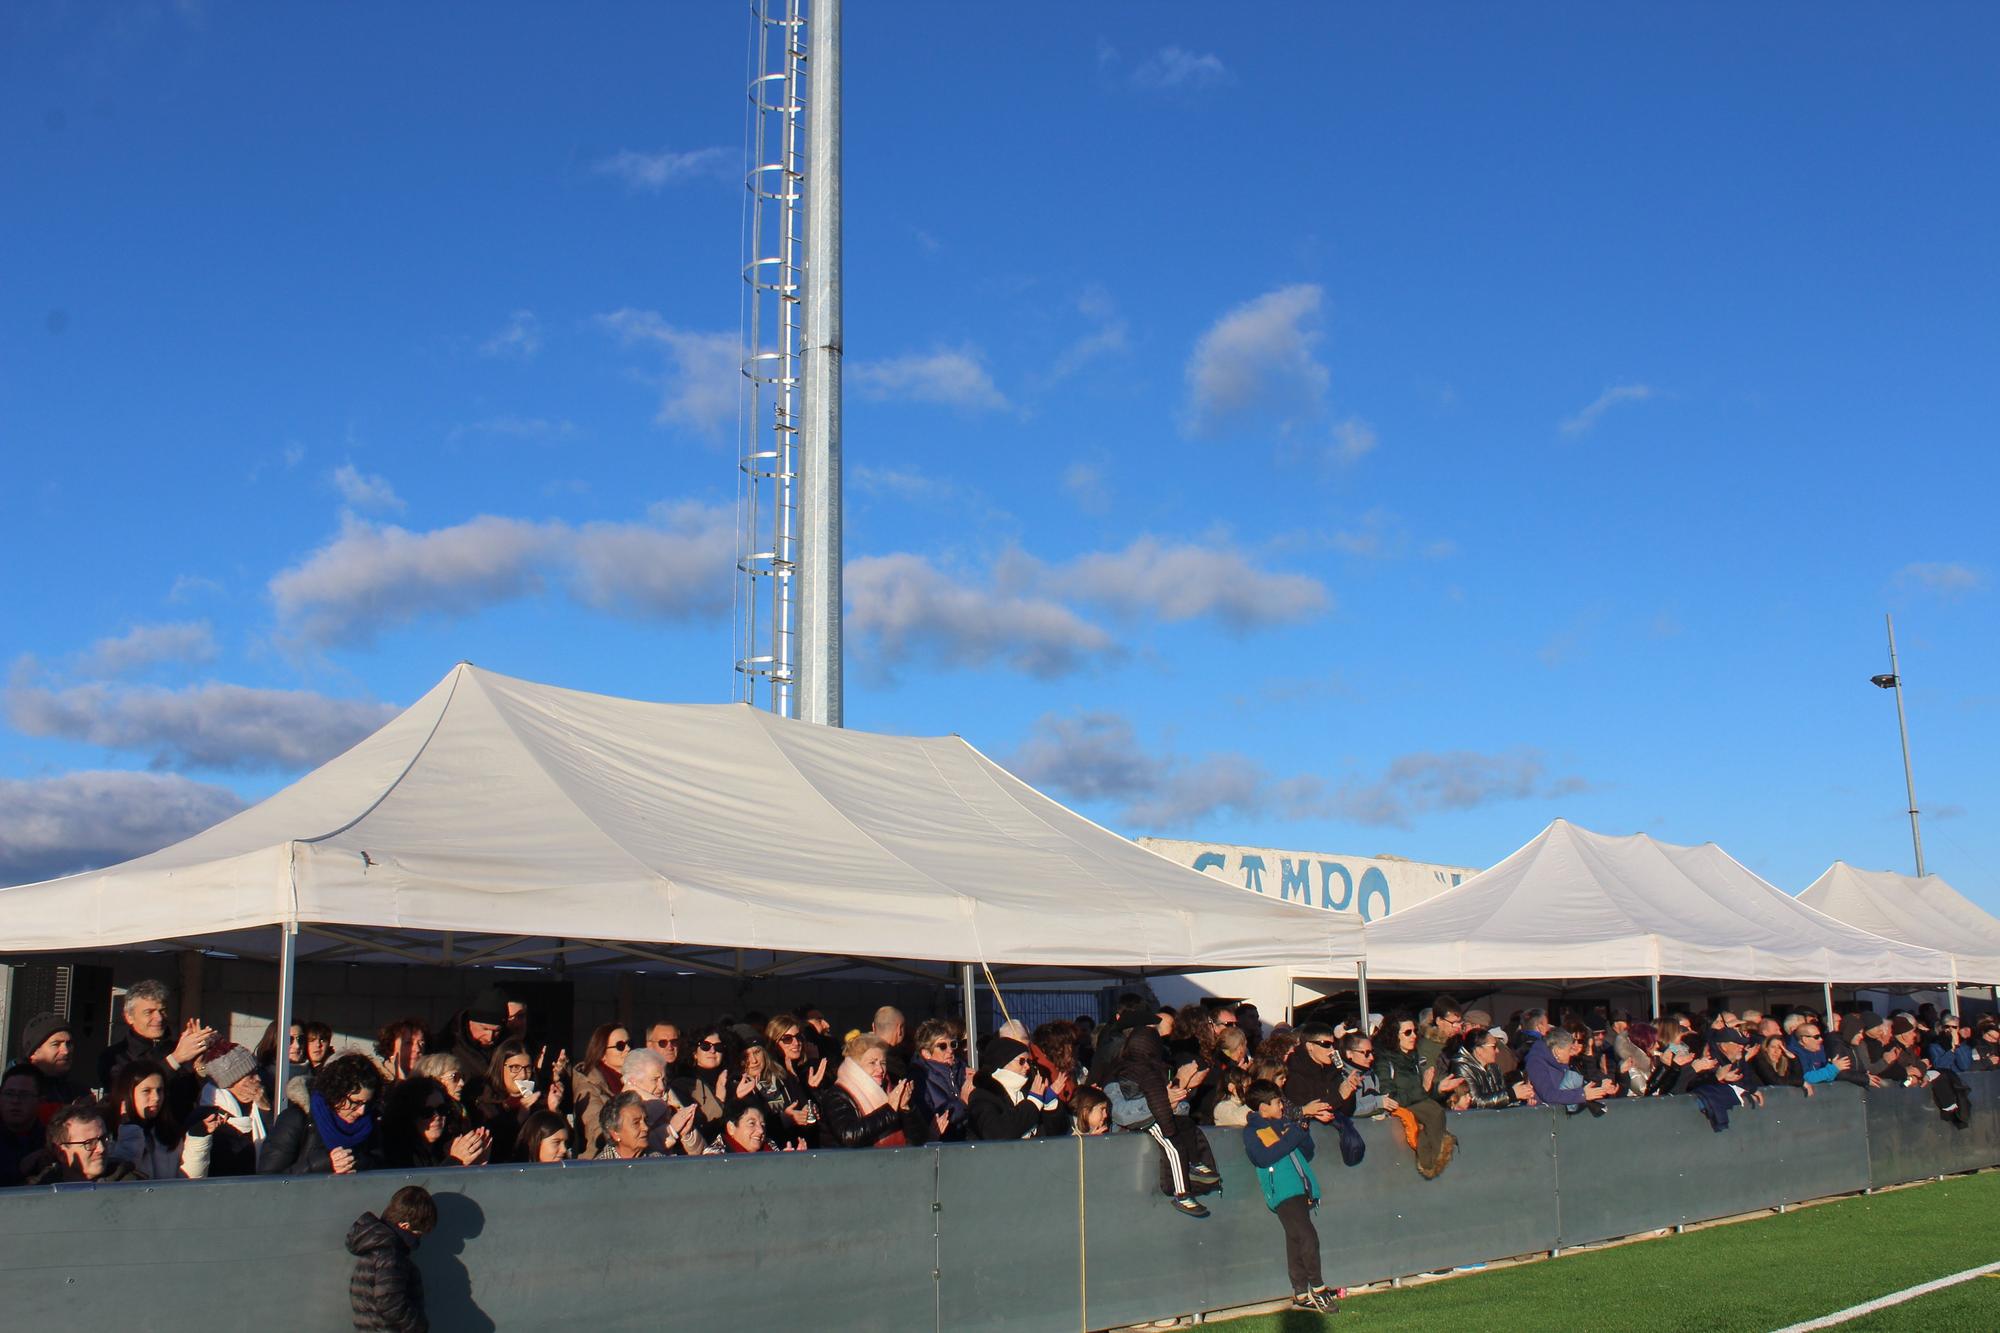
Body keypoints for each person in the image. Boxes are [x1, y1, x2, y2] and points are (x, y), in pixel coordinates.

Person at [1104, 1005, 1220, 1218]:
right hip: (1128, 1171)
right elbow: (1121, 1113)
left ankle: (1194, 1167)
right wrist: (1165, 1106)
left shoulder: (1156, 1065)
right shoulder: (1119, 1069)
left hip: (1154, 1169)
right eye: (1154, 1031)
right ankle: (1183, 1191)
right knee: (1174, 1143)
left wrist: (1182, 1087)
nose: (1161, 1039)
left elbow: (1181, 1109)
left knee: (1182, 1130)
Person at [1241, 1079, 1338, 1315]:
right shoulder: (1253, 1131)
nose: (1282, 1107)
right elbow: (1264, 1157)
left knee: (1296, 1240)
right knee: (1307, 1237)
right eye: (1277, 1103)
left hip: (1300, 1186)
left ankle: (1301, 1293)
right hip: (1283, 1191)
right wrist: (1293, 1134)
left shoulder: (1284, 1123)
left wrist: (1300, 1130)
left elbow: (1307, 1150)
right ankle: (1318, 1287)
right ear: (1263, 1108)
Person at [99, 980, 214, 1115]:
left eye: (162, 1011)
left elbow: (198, 1096)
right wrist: (175, 1060)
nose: (159, 1018)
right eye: (149, 1012)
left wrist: (200, 1065)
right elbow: (127, 1092)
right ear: (129, 1017)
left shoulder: (179, 1048)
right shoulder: (115, 1056)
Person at [260, 1053, 383, 1175]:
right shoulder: (297, 1120)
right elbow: (267, 1180)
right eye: (355, 1103)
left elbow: (382, 1167)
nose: (361, 1111)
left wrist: (356, 1161)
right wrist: (324, 1163)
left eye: (367, 1103)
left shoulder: (371, 1123)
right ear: (336, 1093)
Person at [1376, 1014, 1460, 1179]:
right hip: (1399, 1107)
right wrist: (1425, 1090)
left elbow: (1421, 1091)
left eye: (1415, 1031)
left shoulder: (1413, 1057)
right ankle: (1429, 1162)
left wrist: (1439, 1089)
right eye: (1408, 1032)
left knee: (1436, 1111)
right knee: (1434, 1112)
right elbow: (1390, 1095)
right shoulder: (1385, 1060)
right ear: (1394, 1035)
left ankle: (1431, 1160)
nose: (1414, 1036)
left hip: (1417, 1103)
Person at [348, 1184, 436, 1333]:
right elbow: (390, 1301)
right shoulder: (390, 1256)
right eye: (418, 1233)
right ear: (404, 1226)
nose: (418, 1239)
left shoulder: (375, 1248)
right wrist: (418, 1326)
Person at [182, 1043, 268, 1179]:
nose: (258, 1079)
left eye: (256, 1071)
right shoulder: (205, 1118)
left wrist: (265, 1109)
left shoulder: (259, 1106)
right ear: (231, 1082)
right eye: (250, 1075)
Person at [817, 1034, 915, 1149]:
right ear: (855, 1067)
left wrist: (906, 1109)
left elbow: (918, 1140)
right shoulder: (836, 1096)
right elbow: (848, 1136)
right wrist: (889, 1110)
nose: (880, 1069)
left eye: (883, 1063)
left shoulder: (891, 1090)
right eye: (872, 1063)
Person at [964, 1037, 1066, 1140]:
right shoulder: (982, 1096)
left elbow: (1056, 1135)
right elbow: (997, 1133)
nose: (1027, 1066)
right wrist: (1033, 1104)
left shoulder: (1027, 1092)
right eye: (1021, 1061)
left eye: (1028, 1062)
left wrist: (1050, 1105)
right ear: (1003, 1062)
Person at [381, 1077, 488, 1169]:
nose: (437, 1116)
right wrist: (454, 1160)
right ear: (409, 1115)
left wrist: (476, 1165)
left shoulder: (446, 1147)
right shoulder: (396, 1154)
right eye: (426, 1112)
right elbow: (417, 1189)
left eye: (442, 1109)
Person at [29, 1103, 144, 1186]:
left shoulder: (132, 1188)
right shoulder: (34, 1195)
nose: (101, 1148)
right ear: (60, 1153)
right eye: (89, 1143)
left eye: (104, 1139)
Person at [107, 1057, 185, 1179]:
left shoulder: (169, 1133)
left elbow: (189, 1180)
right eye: (146, 1091)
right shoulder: (108, 1135)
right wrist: (129, 1130)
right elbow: (122, 1175)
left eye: (160, 1090)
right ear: (127, 1094)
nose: (156, 1098)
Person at [1525, 1026, 1616, 1116]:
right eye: (1569, 1050)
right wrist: (1582, 1095)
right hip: (1542, 1119)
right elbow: (1549, 1094)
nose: (1570, 1053)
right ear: (1557, 1051)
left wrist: (1600, 1086)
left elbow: (1573, 1084)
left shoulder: (1560, 1062)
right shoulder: (1536, 1063)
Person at [570, 1024, 631, 1158]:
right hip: (600, 1158)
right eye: (620, 1046)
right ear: (603, 1053)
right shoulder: (588, 1086)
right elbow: (597, 1126)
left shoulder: (633, 1079)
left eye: (629, 1043)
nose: (628, 1049)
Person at [432, 987, 509, 1087]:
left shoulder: (507, 1047)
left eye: (497, 1031)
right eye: (484, 1029)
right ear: (470, 1022)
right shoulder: (448, 1045)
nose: (490, 1037)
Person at [909, 1019, 971, 1143]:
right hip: (943, 1147)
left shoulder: (962, 1070)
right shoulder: (920, 1079)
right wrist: (963, 1102)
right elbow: (936, 1118)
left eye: (953, 1044)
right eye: (942, 1046)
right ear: (926, 1053)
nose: (950, 1050)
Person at [18, 1013, 88, 1113]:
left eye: (69, 1043)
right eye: (56, 1044)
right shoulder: (17, 1090)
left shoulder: (79, 1092)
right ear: (34, 1052)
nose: (66, 1051)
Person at [1453, 1027, 1534, 1109]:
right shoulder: (1462, 1067)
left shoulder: (1493, 1067)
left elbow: (1501, 1099)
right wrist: (1512, 1094)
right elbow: (1475, 1101)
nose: (1497, 1051)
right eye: (1494, 1047)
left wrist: (1521, 1099)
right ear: (1479, 1050)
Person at [1, 1065, 48, 1186]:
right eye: (9, 1094)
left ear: (41, 1101)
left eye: (24, 1095)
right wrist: (19, 1169)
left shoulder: (49, 1141)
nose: (15, 1101)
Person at [592, 1091, 654, 1160]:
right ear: (615, 1133)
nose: (646, 1127)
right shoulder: (600, 1168)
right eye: (636, 1123)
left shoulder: (659, 1161)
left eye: (645, 1120)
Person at [372, 1019, 428, 1085]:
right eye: (408, 1043)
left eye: (422, 1043)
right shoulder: (377, 1082)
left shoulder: (429, 1084)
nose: (418, 1049)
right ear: (390, 1048)